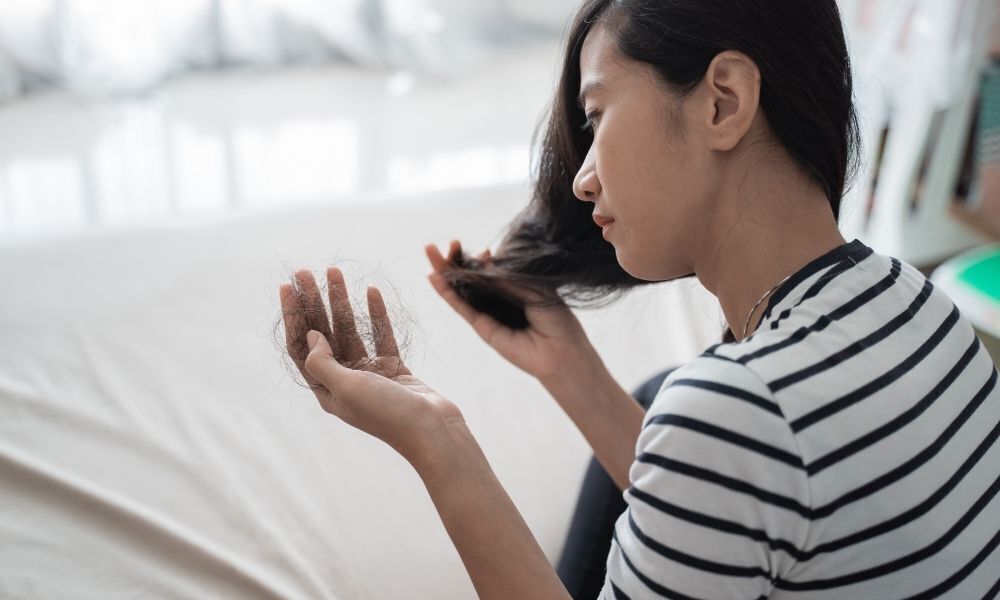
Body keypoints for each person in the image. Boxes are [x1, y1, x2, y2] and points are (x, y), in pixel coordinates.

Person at [279, 0, 1000, 597]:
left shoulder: (735, 412)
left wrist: (439, 444)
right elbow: (738, 519)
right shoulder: (925, 310)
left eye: (595, 117)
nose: (584, 179)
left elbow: (725, 460)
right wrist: (572, 370)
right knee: (654, 394)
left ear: (723, 101)